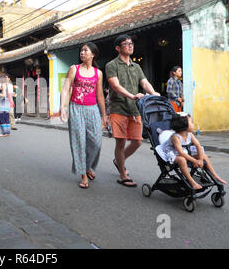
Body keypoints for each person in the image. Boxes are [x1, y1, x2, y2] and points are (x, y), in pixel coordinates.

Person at [105, 34, 160, 188]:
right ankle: (123, 174)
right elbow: (115, 85)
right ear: (118, 48)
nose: (130, 45)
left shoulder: (136, 66)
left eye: (131, 43)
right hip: (118, 108)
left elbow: (144, 82)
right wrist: (132, 95)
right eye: (126, 44)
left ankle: (118, 161)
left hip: (134, 109)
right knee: (121, 142)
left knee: (137, 141)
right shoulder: (112, 65)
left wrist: (154, 93)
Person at [60, 42, 108, 189]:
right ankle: (83, 174)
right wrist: (62, 107)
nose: (82, 53)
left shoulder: (98, 73)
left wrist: (104, 115)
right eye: (81, 51)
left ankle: (88, 166)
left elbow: (99, 94)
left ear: (93, 54)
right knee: (79, 141)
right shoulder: (74, 69)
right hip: (76, 109)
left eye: (85, 50)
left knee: (96, 142)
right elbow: (66, 88)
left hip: (92, 109)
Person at [155, 112, 226, 189]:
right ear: (183, 125)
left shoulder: (190, 134)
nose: (193, 124)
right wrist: (195, 161)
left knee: (204, 156)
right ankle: (191, 182)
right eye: (191, 122)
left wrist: (201, 159)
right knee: (182, 160)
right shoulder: (176, 137)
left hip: (185, 151)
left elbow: (198, 145)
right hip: (172, 153)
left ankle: (215, 176)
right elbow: (180, 153)